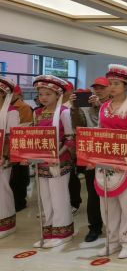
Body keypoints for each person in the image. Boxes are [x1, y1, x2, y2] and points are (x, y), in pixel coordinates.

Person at [90, 65, 127, 259]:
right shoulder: (104, 107)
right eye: (110, 83)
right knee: (107, 203)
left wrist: (124, 154)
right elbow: (99, 131)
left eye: (116, 84)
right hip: (105, 162)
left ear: (126, 86)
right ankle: (112, 241)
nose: (111, 87)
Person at [31, 75, 75, 248]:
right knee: (46, 198)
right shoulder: (37, 113)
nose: (43, 97)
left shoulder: (64, 112)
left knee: (59, 197)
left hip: (58, 161)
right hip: (42, 161)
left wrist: (57, 155)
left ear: (58, 95)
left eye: (48, 94)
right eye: (41, 94)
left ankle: (63, 233)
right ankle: (48, 232)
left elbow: (70, 139)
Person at [69, 77, 111, 242]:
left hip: (110, 152)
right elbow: (77, 125)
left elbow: (110, 126)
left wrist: (99, 107)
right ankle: (94, 227)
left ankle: (115, 228)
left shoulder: (114, 105)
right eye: (96, 88)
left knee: (113, 193)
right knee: (93, 192)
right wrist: (74, 108)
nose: (98, 91)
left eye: (102, 88)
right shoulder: (85, 105)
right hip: (91, 153)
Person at [0, 77, 21, 239]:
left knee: (2, 190)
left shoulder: (11, 111)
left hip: (3, 157)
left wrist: (5, 155)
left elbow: (12, 136)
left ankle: (6, 224)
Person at [9, 85, 32, 212]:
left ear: (18, 94)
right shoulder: (5, 106)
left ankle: (20, 202)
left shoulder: (23, 107)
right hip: (8, 145)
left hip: (20, 145)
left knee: (19, 176)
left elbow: (25, 128)